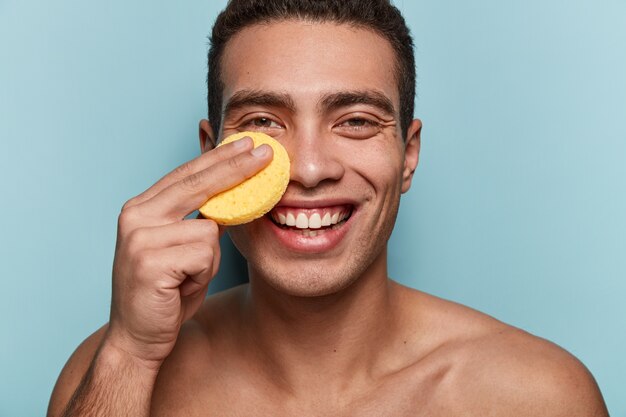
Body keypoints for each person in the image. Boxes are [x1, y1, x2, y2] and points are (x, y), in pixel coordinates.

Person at [48, 1, 609, 415]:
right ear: (208, 157)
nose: (310, 168)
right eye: (264, 122)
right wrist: (131, 355)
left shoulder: (536, 396)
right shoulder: (112, 375)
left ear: (408, 156)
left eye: (356, 121)